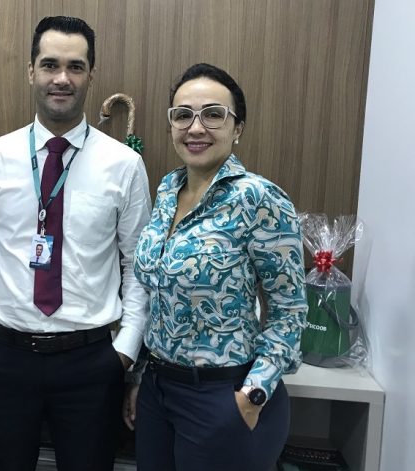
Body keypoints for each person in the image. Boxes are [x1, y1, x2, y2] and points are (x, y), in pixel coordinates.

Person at [0, 16, 151, 471]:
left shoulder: (123, 165)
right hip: (3, 360)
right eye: (50, 65)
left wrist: (124, 351)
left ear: (90, 75)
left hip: (92, 364)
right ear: (31, 71)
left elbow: (137, 268)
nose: (62, 78)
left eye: (75, 66)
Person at [125, 63, 308, 471]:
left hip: (224, 395)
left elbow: (289, 310)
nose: (195, 128)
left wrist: (253, 395)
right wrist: (140, 377)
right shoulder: (168, 189)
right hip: (157, 391)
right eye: (183, 115)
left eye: (213, 114)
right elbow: (160, 299)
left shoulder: (259, 199)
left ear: (237, 127)